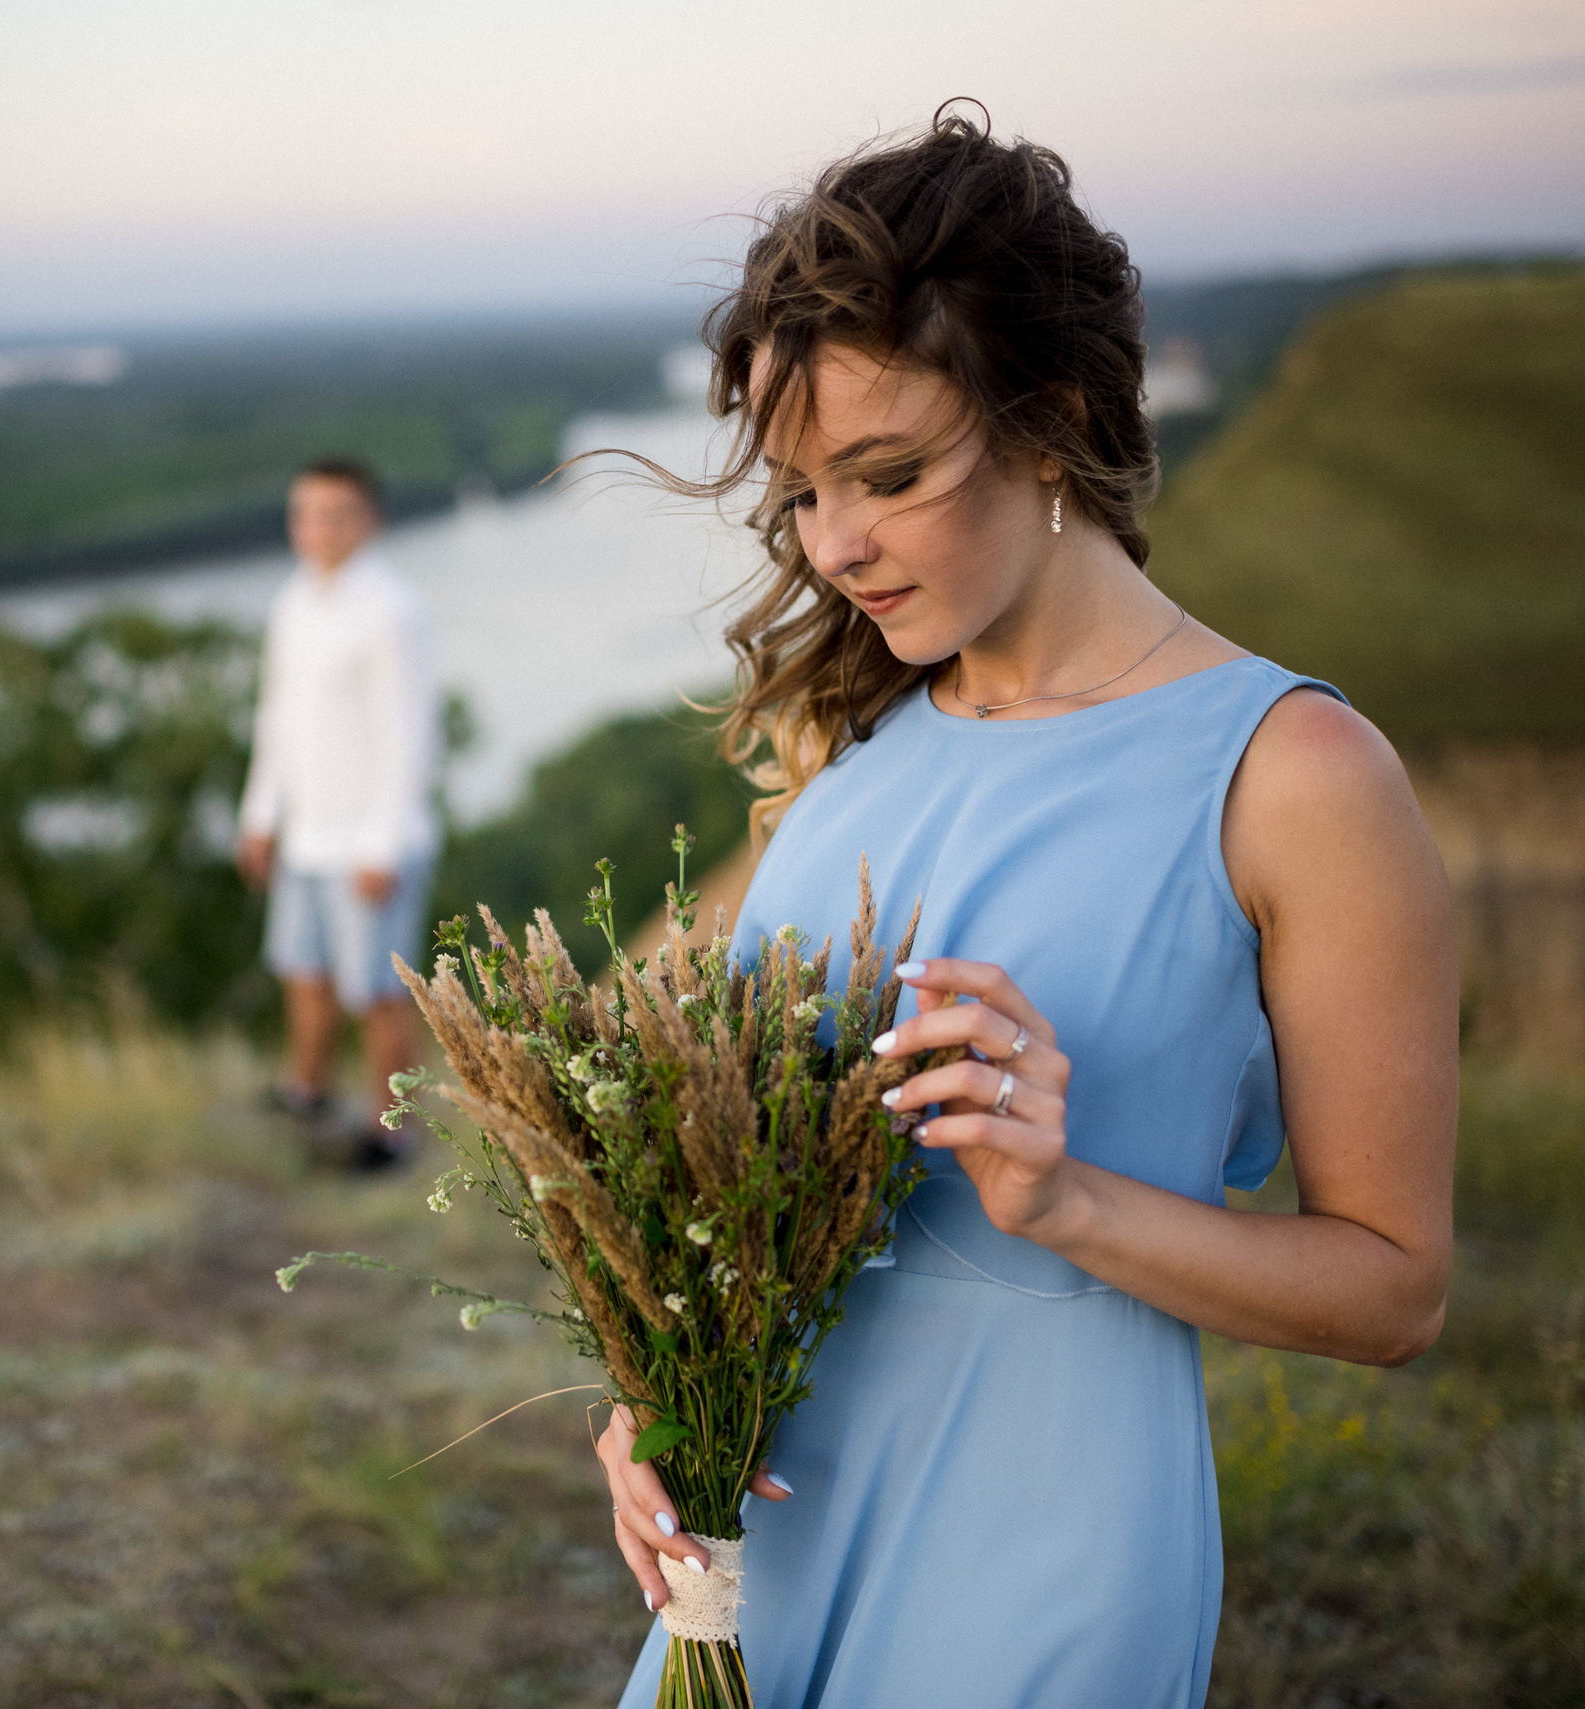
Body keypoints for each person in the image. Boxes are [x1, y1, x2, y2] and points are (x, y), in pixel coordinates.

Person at [597, 105, 1457, 1707]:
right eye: (800, 493)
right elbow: (745, 1179)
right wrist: (659, 1380)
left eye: (889, 474)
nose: (834, 545)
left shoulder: (1297, 775)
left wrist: (1068, 1206)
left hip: (1047, 1544)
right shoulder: (843, 744)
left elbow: (1395, 1286)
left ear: (1048, 420)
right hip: (760, 1531)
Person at [236, 458, 442, 1168]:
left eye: (334, 514)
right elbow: (277, 717)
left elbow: (408, 735)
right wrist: (260, 814)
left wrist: (381, 845)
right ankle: (308, 1090)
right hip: (306, 836)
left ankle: (394, 1131)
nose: (316, 529)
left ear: (369, 520)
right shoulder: (293, 599)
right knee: (304, 971)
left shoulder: (390, 610)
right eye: (305, 514)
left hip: (370, 844)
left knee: (378, 993)